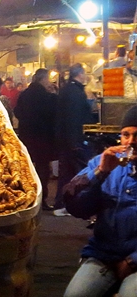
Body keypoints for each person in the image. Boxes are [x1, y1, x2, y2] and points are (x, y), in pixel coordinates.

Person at [60, 105, 137, 297]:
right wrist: (101, 173)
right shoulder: (103, 162)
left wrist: (133, 260)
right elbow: (75, 204)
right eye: (126, 135)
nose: (131, 142)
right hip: (104, 253)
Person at [53, 63, 95, 216]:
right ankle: (73, 204)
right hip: (73, 140)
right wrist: (74, 143)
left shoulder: (68, 90)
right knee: (79, 174)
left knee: (67, 173)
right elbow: (73, 118)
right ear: (80, 74)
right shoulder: (75, 93)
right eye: (84, 73)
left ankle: (62, 203)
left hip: (66, 140)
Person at [14, 68, 58, 209]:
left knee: (26, 167)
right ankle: (41, 198)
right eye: (48, 79)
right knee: (42, 168)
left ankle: (25, 196)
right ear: (43, 79)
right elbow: (53, 114)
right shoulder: (46, 96)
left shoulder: (24, 94)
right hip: (42, 137)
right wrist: (54, 95)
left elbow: (17, 111)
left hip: (27, 136)